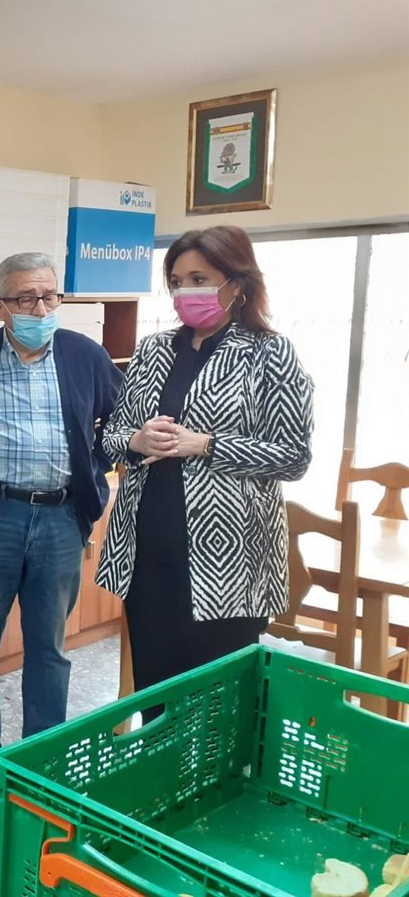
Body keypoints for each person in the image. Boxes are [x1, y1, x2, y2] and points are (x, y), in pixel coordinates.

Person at [96, 225, 314, 710]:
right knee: (156, 695)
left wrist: (208, 445)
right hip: (147, 553)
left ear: (237, 283)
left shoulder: (270, 353)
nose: (184, 293)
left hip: (229, 561)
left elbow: (294, 455)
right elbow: (111, 435)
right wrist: (134, 440)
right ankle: (160, 760)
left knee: (219, 703)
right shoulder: (153, 349)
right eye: (176, 282)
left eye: (199, 279)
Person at [0, 252, 123, 796]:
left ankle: (40, 759)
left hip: (59, 518)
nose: (41, 308)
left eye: (50, 296)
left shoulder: (85, 354)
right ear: (0, 306)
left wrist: (92, 478)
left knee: (48, 646)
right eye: (26, 299)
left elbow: (120, 423)